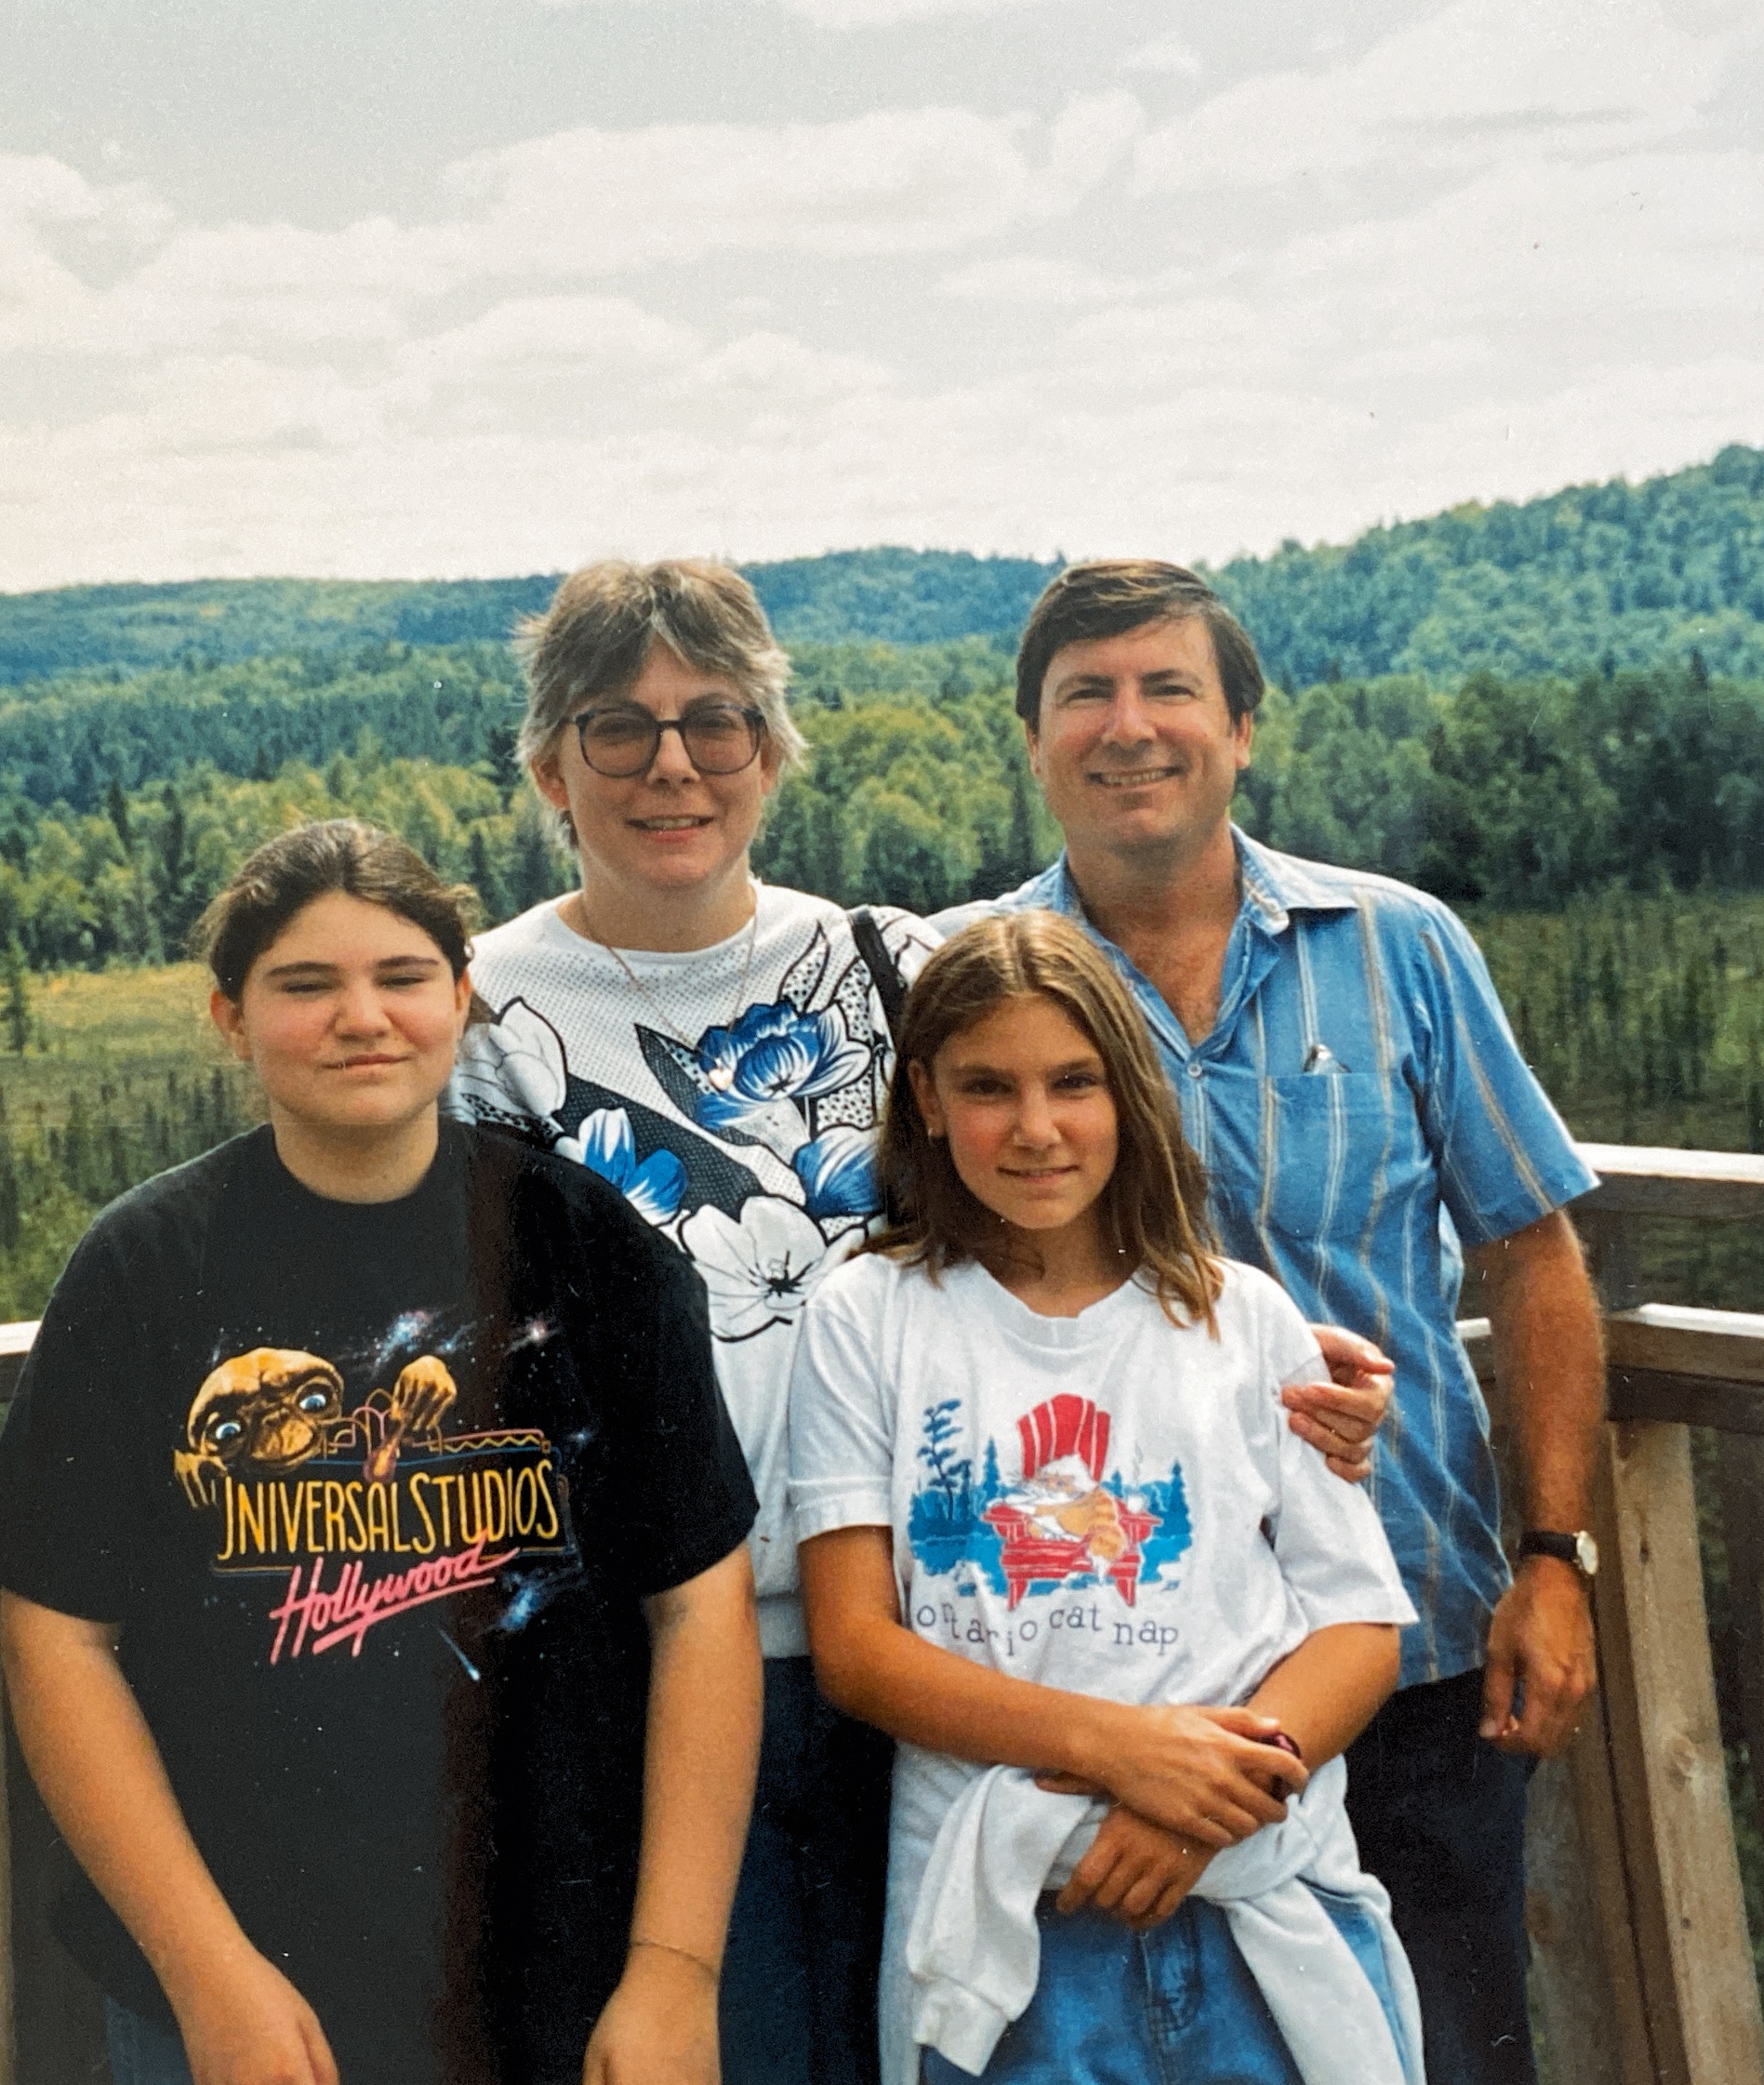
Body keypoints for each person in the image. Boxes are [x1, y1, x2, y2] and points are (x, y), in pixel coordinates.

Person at [451, 559, 1398, 2085]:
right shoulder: (472, 1017)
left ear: (771, 745)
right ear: (548, 761)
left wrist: (1303, 1373)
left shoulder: (890, 966)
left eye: (715, 720)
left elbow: (1091, 1216)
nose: (671, 764)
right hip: (639, 1677)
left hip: (939, 1663)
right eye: (614, 727)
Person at [940, 560, 1605, 2085]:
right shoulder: (971, 987)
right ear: (1032, 739)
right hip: (1108, 1690)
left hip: (1412, 1643)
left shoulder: (1400, 948)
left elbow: (1530, 1248)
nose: (1127, 727)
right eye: (1082, 696)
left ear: (1239, 729)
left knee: (1446, 2050)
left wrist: (1553, 1558)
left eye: (1167, 688)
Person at [0, 818, 763, 2085]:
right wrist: (205, 1969)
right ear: (230, 1017)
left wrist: (676, 1967)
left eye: (401, 978)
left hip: (557, 1980)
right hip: (240, 1997)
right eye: (305, 984)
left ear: (460, 998)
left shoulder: (590, 1248)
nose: (362, 1018)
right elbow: (56, 1632)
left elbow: (701, 1604)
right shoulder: (147, 1268)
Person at [789, 910, 1423, 2085]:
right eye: (989, 1087)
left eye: (1073, 1082)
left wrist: (1206, 1800)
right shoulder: (869, 1317)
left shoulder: (1243, 1318)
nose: (1036, 1128)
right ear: (925, 1097)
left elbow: (1357, 1625)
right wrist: (1128, 1751)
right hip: (1005, 1925)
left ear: (1127, 1090)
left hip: (1254, 1893)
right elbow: (858, 1648)